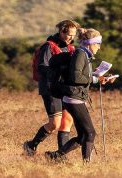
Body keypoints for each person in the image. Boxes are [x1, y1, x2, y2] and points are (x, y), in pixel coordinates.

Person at [46, 28, 116, 162]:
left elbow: (83, 75)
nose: (99, 47)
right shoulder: (80, 54)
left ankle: (53, 156)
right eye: (98, 44)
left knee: (82, 136)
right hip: (74, 98)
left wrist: (102, 77)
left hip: (76, 98)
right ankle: (86, 164)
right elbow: (76, 77)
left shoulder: (85, 54)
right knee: (90, 133)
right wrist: (96, 79)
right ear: (90, 43)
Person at [22, 19, 79, 156]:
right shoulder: (48, 47)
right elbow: (42, 67)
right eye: (69, 34)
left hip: (64, 88)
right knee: (54, 124)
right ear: (61, 32)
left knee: (67, 121)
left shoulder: (71, 48)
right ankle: (30, 145)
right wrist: (59, 72)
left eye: (74, 35)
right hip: (50, 89)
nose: (71, 37)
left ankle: (60, 156)